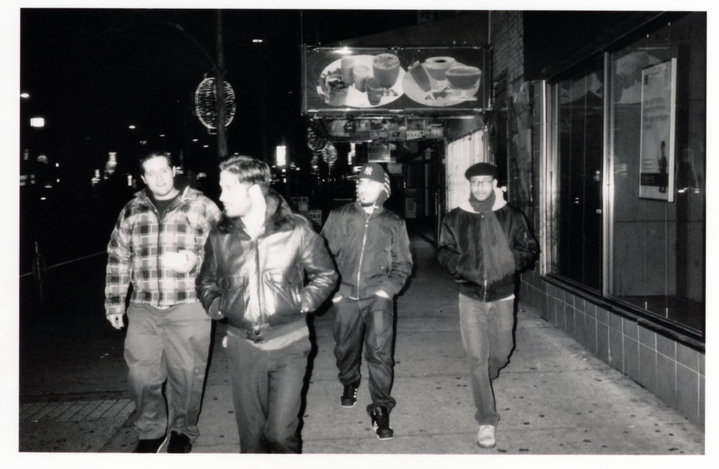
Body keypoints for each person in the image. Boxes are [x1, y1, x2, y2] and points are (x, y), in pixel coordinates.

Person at [196, 156, 337, 453]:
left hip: (290, 344)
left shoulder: (296, 229)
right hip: (242, 348)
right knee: (252, 440)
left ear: (254, 190)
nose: (221, 196)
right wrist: (218, 307)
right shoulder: (220, 235)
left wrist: (303, 301)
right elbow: (206, 281)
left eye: (229, 187)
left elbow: (326, 275)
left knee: (281, 435)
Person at [105, 152, 221, 453]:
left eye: (163, 170)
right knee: (141, 375)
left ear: (173, 171)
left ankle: (182, 430)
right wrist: (115, 303)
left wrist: (194, 261)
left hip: (189, 304)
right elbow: (118, 256)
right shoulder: (132, 210)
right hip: (143, 306)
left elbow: (225, 250)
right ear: (143, 178)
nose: (159, 178)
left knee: (187, 374)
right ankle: (151, 432)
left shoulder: (202, 205)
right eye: (151, 173)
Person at [437, 162, 538, 449]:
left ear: (494, 184)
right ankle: (486, 419)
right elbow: (443, 251)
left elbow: (529, 249)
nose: (480, 187)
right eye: (475, 182)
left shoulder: (512, 215)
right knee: (476, 358)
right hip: (470, 295)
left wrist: (507, 263)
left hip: (502, 294)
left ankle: (489, 373)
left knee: (502, 352)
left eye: (485, 181)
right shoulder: (455, 217)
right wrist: (462, 266)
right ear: (469, 185)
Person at [320, 163, 413, 440]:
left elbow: (403, 263)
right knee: (345, 349)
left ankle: (381, 406)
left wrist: (388, 289)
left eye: (369, 184)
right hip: (346, 296)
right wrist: (334, 290)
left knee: (380, 353)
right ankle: (350, 381)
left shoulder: (394, 222)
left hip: (378, 298)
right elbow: (322, 256)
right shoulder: (340, 216)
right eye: (360, 183)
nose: (362, 188)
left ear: (383, 189)